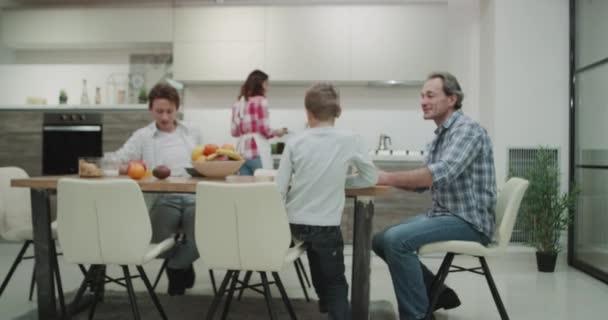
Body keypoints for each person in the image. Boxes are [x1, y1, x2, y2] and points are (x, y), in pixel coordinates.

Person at [372, 72, 497, 320]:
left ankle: (417, 316)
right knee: (380, 240)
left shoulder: (467, 130)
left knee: (397, 241)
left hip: (469, 221)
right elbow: (422, 185)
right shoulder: (440, 137)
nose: (423, 101)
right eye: (422, 96)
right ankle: (436, 293)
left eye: (430, 95)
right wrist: (382, 175)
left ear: (452, 99)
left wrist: (386, 177)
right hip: (445, 215)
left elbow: (440, 172)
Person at [276, 83, 378, 320]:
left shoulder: (295, 142)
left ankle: (324, 305)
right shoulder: (350, 139)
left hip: (294, 225)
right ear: (337, 112)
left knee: (315, 259)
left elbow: (279, 190)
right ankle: (334, 311)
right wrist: (341, 182)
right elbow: (370, 177)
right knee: (336, 281)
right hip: (326, 227)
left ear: (308, 112)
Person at [106, 82, 201, 296]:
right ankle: (181, 263)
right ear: (150, 109)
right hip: (162, 199)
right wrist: (129, 167)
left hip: (194, 198)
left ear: (178, 108)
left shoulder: (192, 132)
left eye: (169, 111)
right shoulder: (142, 136)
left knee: (203, 239)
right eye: (159, 111)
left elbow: (203, 162)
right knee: (157, 244)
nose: (165, 117)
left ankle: (176, 267)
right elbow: (117, 161)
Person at [231, 69, 288, 175]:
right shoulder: (261, 101)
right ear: (260, 84)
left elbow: (234, 132)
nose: (268, 88)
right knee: (262, 189)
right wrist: (278, 132)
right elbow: (264, 130)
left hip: (241, 155)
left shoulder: (238, 104)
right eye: (266, 84)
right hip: (257, 153)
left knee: (245, 189)